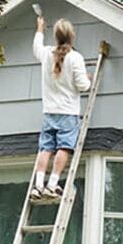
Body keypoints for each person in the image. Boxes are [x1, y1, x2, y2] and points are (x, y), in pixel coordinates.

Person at [31, 15, 92, 199]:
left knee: (46, 148)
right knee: (64, 148)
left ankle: (38, 185)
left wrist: (40, 28)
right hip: (68, 113)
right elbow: (83, 86)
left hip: (49, 112)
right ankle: (52, 184)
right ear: (72, 36)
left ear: (56, 36)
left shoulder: (47, 54)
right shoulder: (75, 58)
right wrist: (88, 79)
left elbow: (36, 48)